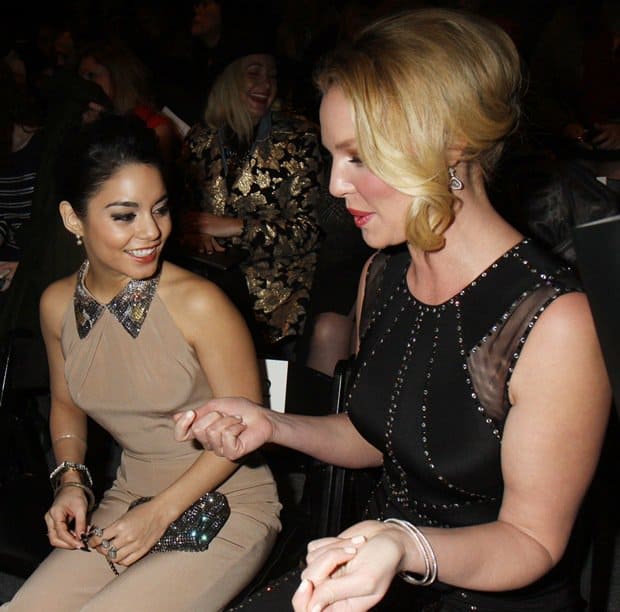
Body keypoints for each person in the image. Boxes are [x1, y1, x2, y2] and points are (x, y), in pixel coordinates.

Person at [174, 8, 612, 611]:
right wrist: (272, 424)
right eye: (333, 156)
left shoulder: (554, 320)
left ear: (449, 145)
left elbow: (532, 540)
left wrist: (407, 546)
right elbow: (373, 434)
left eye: (358, 156)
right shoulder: (383, 274)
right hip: (379, 559)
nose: (334, 185)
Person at [2, 114, 280, 611]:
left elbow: (242, 431)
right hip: (129, 498)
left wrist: (160, 514)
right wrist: (71, 483)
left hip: (227, 500)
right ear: (73, 219)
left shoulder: (200, 304)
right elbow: (66, 406)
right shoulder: (56, 305)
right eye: (125, 215)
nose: (152, 231)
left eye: (160, 209)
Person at [178, 45, 322, 358]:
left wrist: (234, 227)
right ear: (228, 79)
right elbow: (178, 214)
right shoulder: (199, 138)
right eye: (253, 72)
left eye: (272, 76)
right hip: (207, 300)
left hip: (276, 310)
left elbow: (308, 233)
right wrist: (193, 230)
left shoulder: (299, 138)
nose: (265, 84)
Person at [77, 38, 181, 163]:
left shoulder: (156, 127)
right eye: (80, 78)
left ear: (118, 76)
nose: (83, 85)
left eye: (91, 75)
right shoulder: (80, 120)